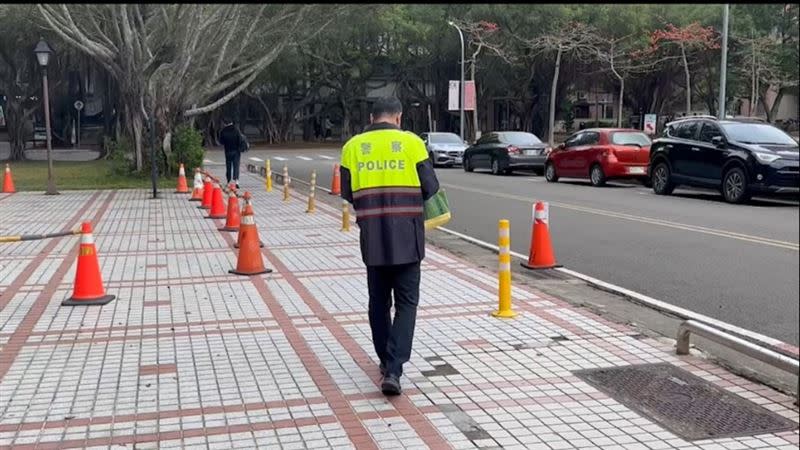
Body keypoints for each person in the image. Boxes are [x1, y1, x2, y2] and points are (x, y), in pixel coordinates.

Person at [340, 97, 440, 396]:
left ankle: (385, 360)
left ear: (372, 116)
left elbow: (347, 192)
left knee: (378, 302)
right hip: (408, 237)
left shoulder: (353, 147)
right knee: (407, 303)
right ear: (398, 117)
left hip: (372, 237)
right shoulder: (411, 143)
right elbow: (430, 187)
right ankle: (395, 369)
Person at [218, 117, 247, 189]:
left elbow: (221, 142)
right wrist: (240, 148)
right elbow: (240, 140)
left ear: (225, 123)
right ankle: (236, 181)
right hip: (236, 151)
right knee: (236, 166)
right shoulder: (236, 130)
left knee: (228, 166)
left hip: (228, 151)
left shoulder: (223, 131)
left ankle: (228, 181)